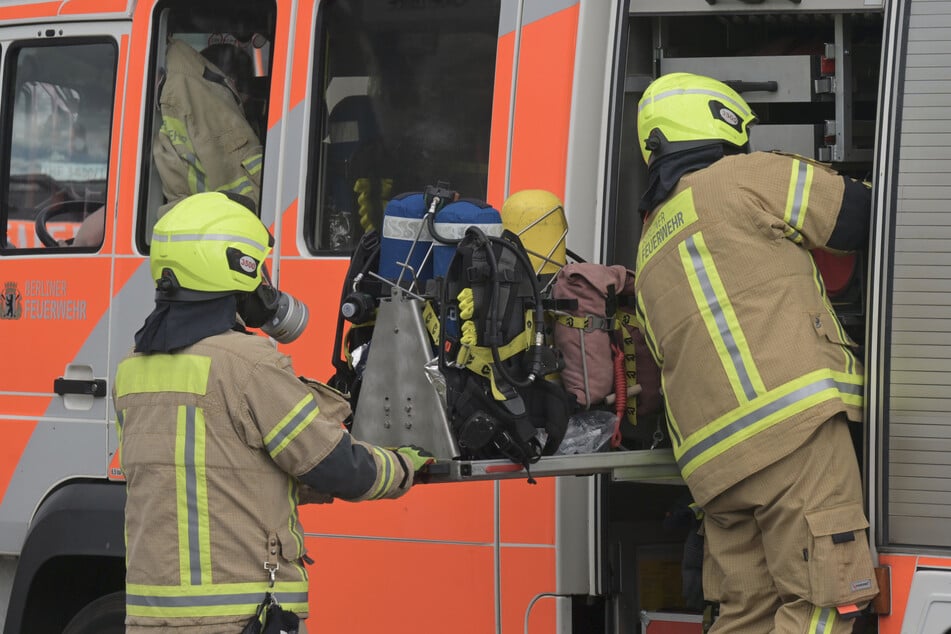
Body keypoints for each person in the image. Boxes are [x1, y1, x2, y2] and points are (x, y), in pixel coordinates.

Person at [112, 192, 433, 633]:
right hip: (240, 618)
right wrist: (402, 465)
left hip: (150, 619)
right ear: (237, 267)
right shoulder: (248, 364)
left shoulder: (132, 368)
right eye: (259, 267)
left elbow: (210, 477)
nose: (265, 282)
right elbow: (339, 467)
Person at [633, 72, 878, 633]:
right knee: (825, 602)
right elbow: (863, 216)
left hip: (714, 470)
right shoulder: (742, 176)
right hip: (791, 431)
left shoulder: (648, 247)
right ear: (721, 123)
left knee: (745, 615)